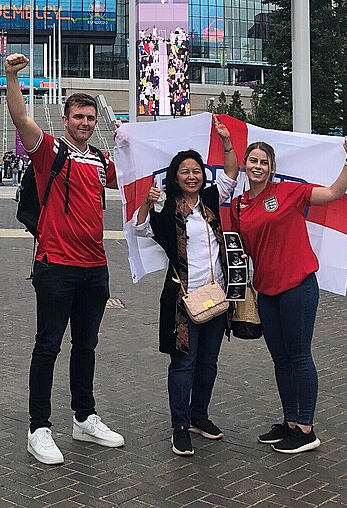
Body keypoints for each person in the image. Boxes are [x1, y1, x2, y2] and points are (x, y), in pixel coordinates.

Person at [5, 53, 124, 465]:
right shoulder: (49, 150)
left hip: (95, 268)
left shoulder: (101, 160)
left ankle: (84, 417)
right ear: (65, 119)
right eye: (79, 117)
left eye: (91, 117)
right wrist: (11, 76)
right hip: (56, 265)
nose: (86, 123)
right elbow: (21, 119)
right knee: (48, 346)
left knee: (86, 345)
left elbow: (136, 179)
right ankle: (38, 427)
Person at [234, 138, 347, 454]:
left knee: (299, 356)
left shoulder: (289, 192)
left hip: (297, 286)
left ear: (272, 168)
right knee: (280, 359)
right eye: (253, 161)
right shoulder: (240, 205)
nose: (258, 166)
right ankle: (290, 423)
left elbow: (333, 194)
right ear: (245, 165)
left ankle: (306, 428)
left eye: (264, 162)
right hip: (267, 290)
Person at [132, 116, 238, 457]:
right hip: (183, 300)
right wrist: (148, 201)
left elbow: (233, 174)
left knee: (208, 363)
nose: (192, 176)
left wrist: (226, 143)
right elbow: (139, 228)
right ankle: (180, 426)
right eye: (184, 172)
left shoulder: (210, 200)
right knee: (183, 364)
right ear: (175, 178)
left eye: (196, 171)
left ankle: (199, 416)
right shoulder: (166, 208)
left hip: (216, 296)